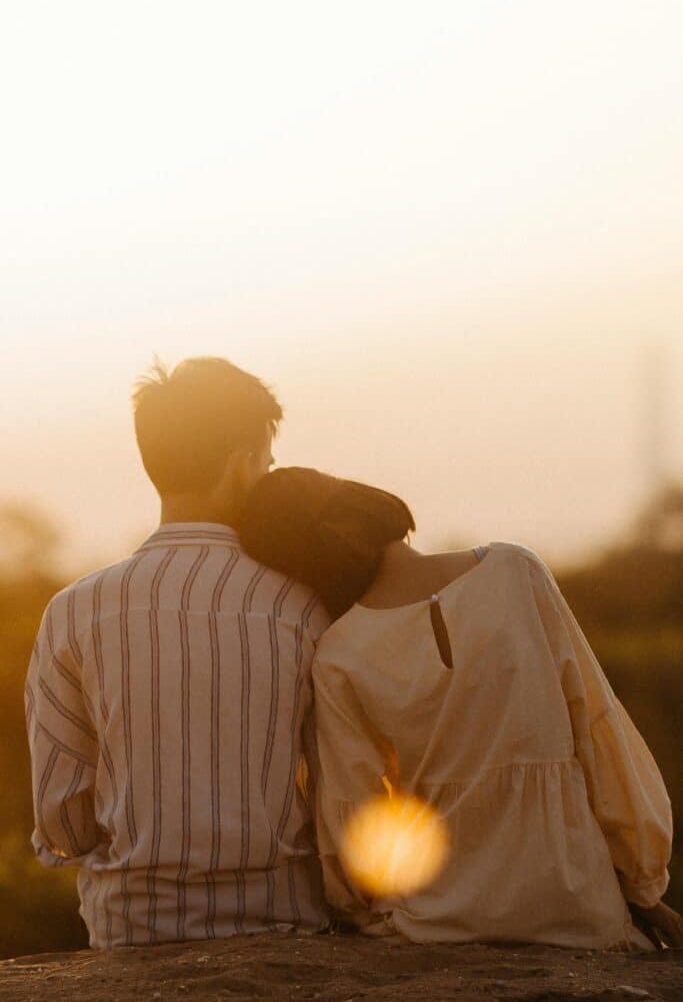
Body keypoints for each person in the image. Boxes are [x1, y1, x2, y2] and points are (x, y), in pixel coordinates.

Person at [238, 466, 683, 951]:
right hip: (577, 908)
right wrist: (642, 884)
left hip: (437, 922)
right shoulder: (516, 571)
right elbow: (599, 730)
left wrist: (358, 908)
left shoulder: (339, 655)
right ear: (365, 501)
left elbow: (355, 819)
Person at [24, 359, 331, 948]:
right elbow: (338, 788)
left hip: (132, 930)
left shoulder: (74, 610)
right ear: (243, 462)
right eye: (266, 462)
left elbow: (61, 818)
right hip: (282, 924)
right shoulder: (302, 605)